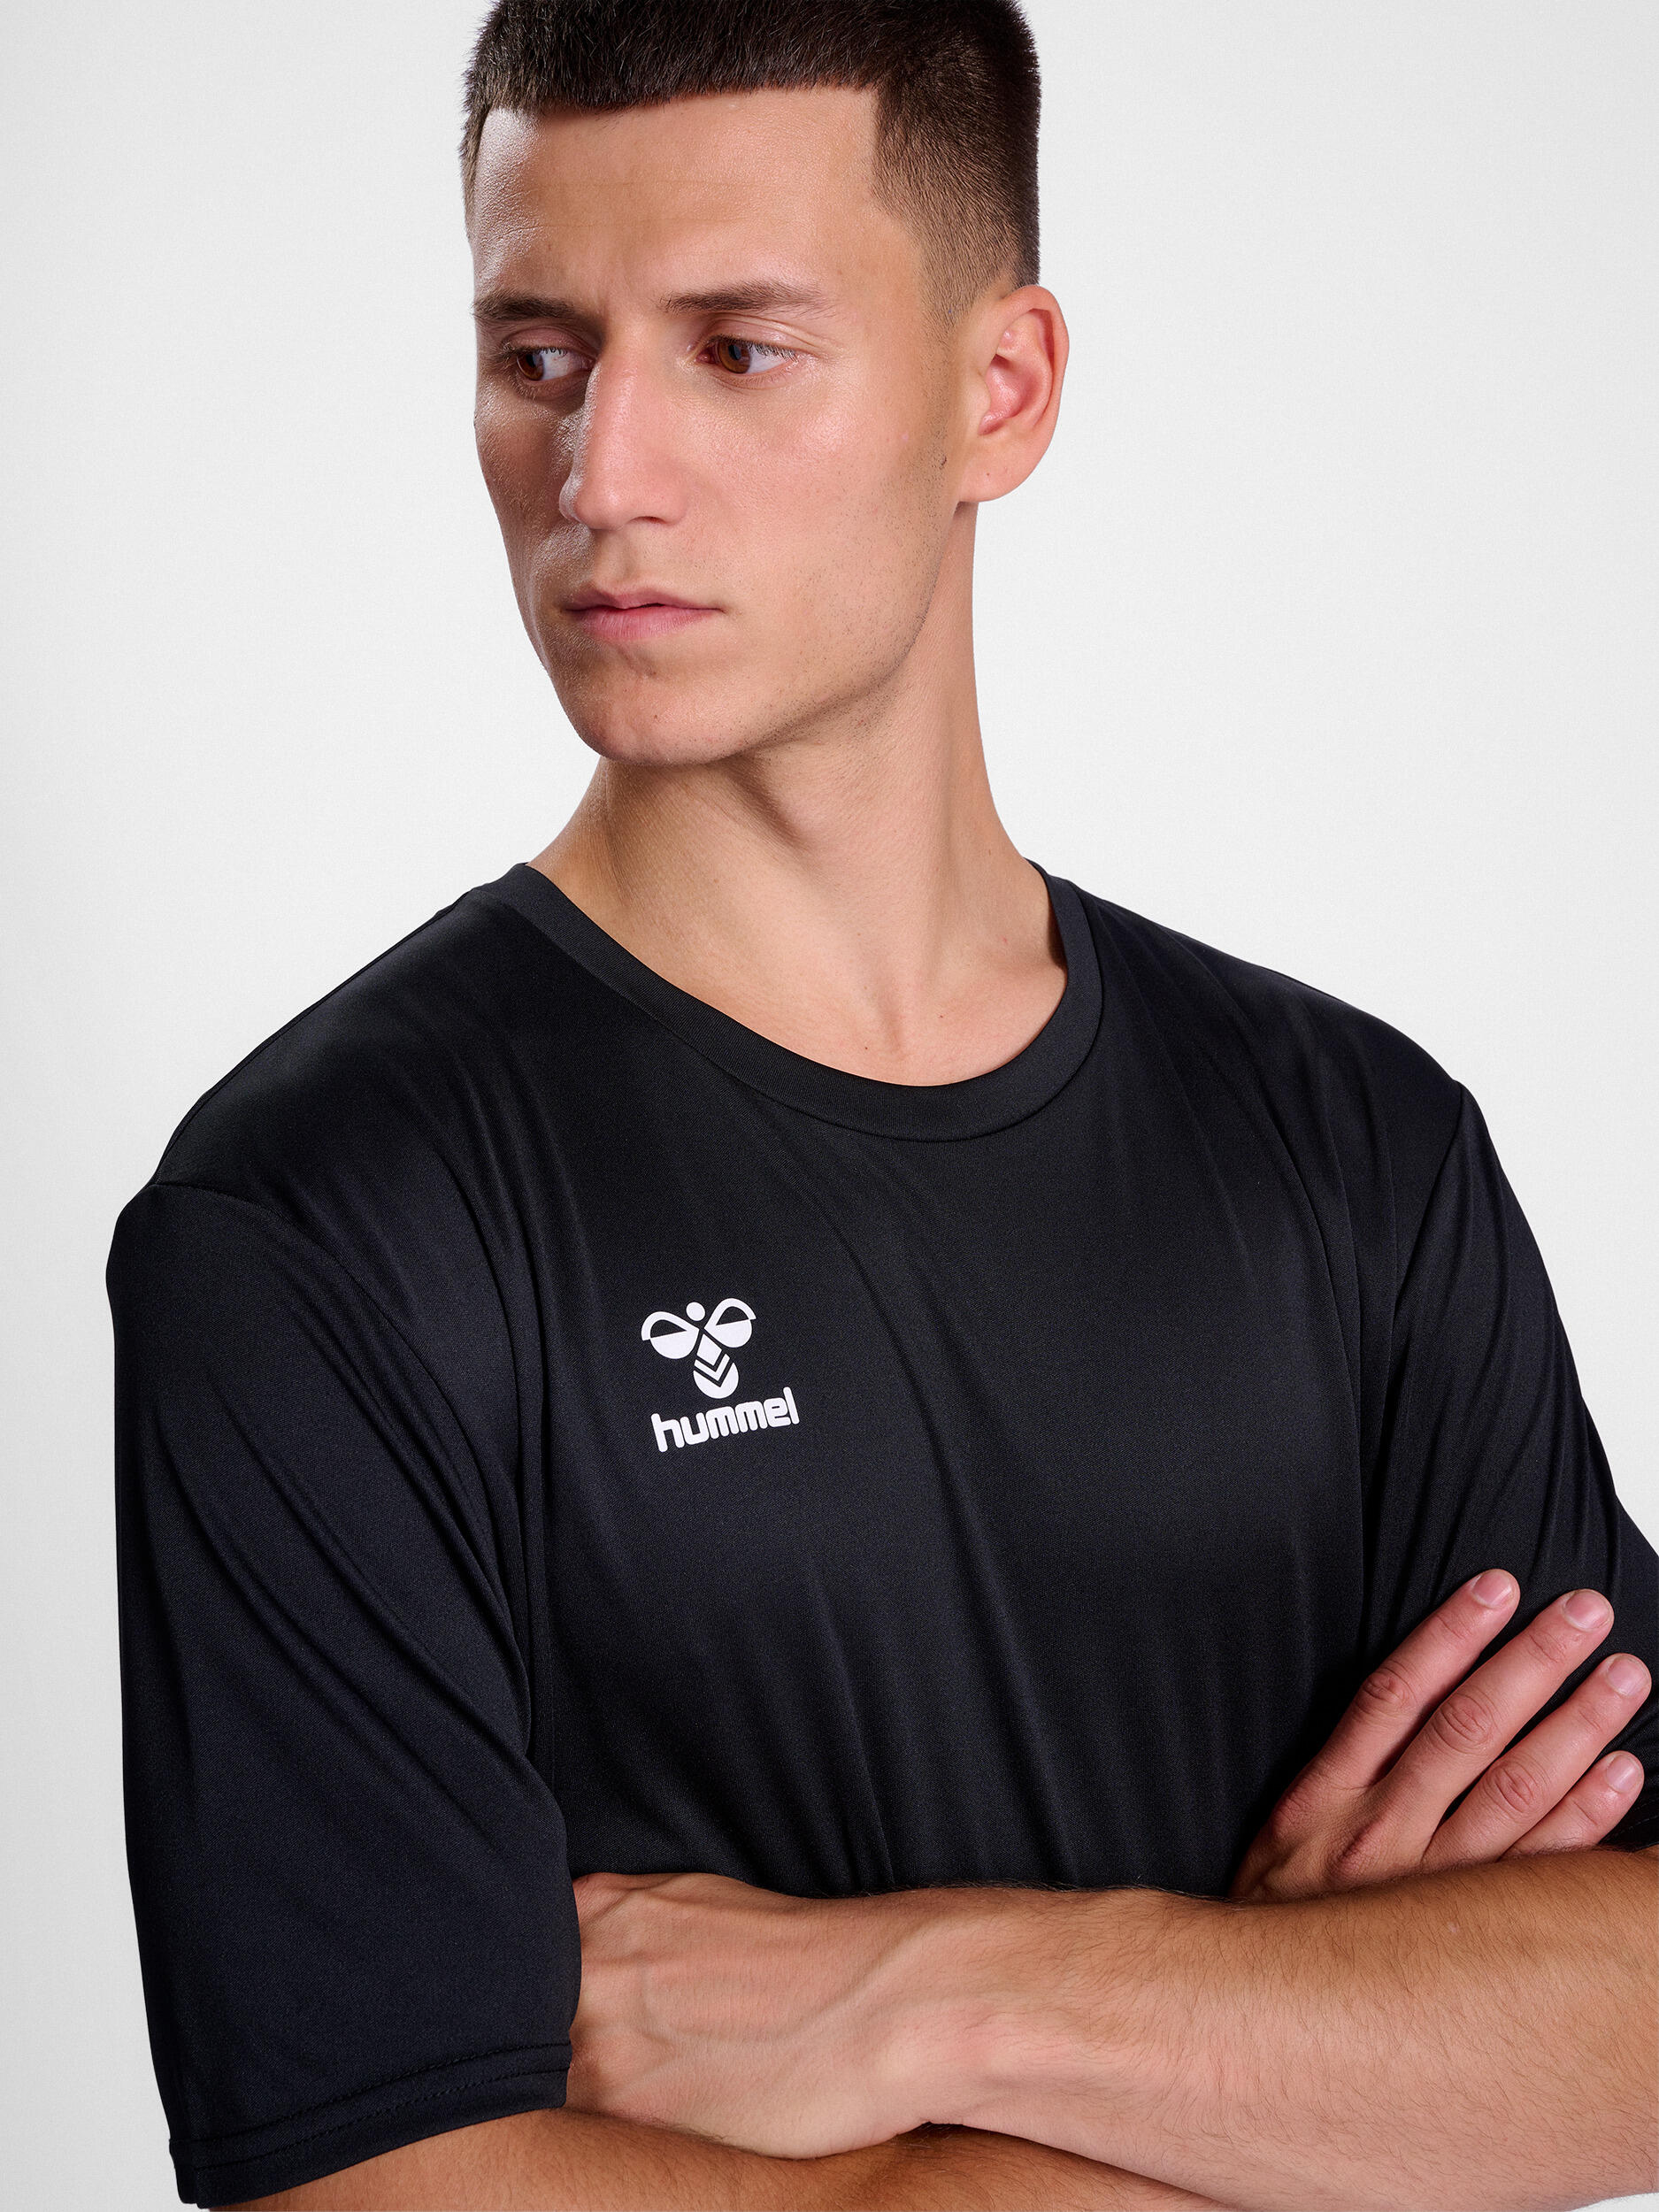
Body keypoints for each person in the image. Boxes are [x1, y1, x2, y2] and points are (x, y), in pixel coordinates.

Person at [109, 3, 1657, 2206]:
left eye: (737, 350)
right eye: (540, 354)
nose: (602, 475)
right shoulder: (317, 1220)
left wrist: (942, 1998)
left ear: (996, 389)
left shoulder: (1353, 1145)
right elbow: (385, 2189)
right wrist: (1321, 2068)